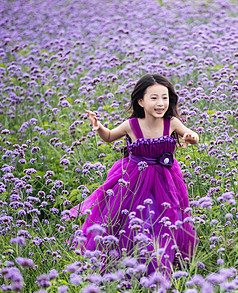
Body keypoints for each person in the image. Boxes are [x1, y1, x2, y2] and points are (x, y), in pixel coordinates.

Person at [68, 74, 199, 276]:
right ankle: (128, 265)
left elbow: (193, 136)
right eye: (154, 98)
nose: (160, 103)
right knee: (136, 220)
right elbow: (110, 137)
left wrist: (190, 138)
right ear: (140, 101)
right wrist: (99, 127)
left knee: (166, 219)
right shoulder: (132, 125)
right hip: (135, 181)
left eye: (164, 98)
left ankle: (160, 267)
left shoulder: (171, 123)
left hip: (166, 181)